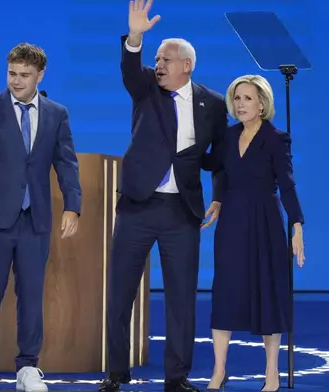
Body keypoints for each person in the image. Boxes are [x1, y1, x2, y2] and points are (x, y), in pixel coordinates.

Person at [98, 1, 226, 392]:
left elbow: (219, 158)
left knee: (181, 299)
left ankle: (177, 377)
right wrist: (135, 37)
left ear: (187, 65)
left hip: (181, 211)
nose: (158, 65)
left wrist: (218, 197)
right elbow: (128, 69)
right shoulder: (146, 90)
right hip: (138, 205)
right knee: (119, 294)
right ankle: (117, 372)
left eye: (165, 59)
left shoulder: (214, 105)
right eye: (155, 58)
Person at [0, 43, 82, 392]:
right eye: (12, 74)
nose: (16, 81)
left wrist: (72, 206)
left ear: (40, 75)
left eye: (24, 75)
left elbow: (66, 163)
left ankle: (28, 367)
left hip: (36, 220)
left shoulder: (56, 113)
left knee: (32, 295)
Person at [202, 74, 306, 392]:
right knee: (226, 293)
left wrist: (297, 225)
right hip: (232, 219)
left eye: (247, 98)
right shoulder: (229, 136)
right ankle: (219, 371)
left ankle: (271, 373)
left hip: (266, 220)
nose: (240, 104)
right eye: (237, 98)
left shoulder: (276, 138)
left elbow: (287, 184)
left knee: (268, 295)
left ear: (262, 104)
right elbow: (212, 164)